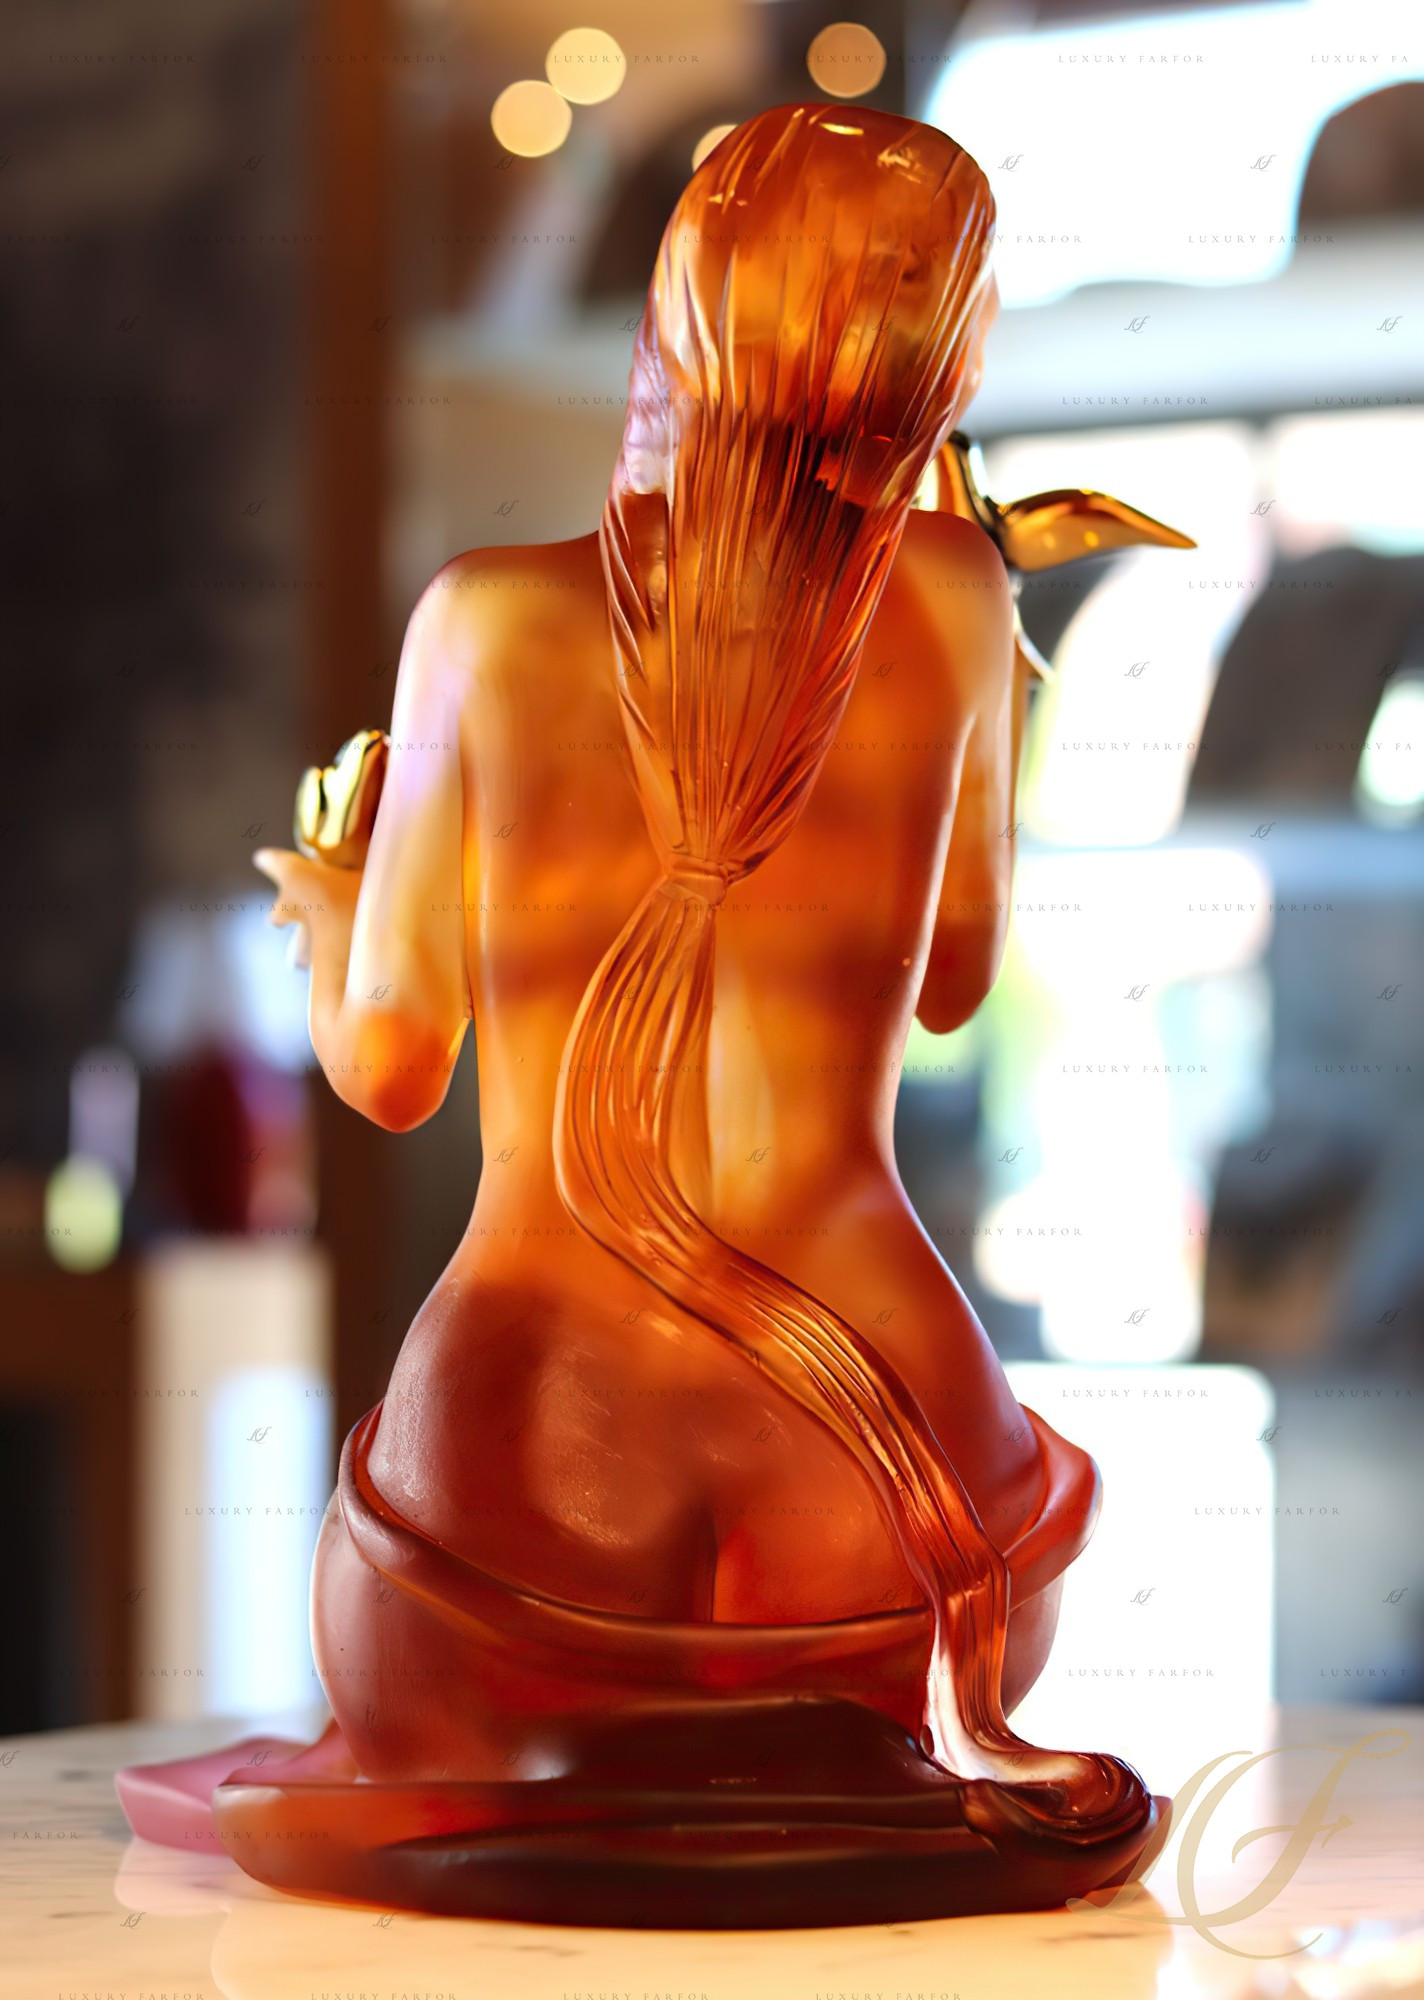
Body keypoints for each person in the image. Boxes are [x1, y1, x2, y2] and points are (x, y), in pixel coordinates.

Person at [118, 102, 1163, 1926]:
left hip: (528, 1464)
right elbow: (952, 983)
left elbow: (389, 1066)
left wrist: (338, 907)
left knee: (425, 1683)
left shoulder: (486, 626)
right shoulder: (957, 598)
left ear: (683, 306)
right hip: (897, 1486)